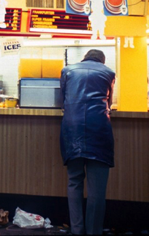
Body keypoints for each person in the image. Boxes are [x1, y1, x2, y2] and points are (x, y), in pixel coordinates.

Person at [60, 49, 115, 235]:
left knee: (74, 181)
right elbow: (110, 102)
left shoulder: (67, 71)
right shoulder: (108, 72)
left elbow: (62, 100)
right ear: (102, 60)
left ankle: (76, 230)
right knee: (97, 188)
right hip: (99, 130)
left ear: (84, 58)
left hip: (72, 129)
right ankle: (93, 232)